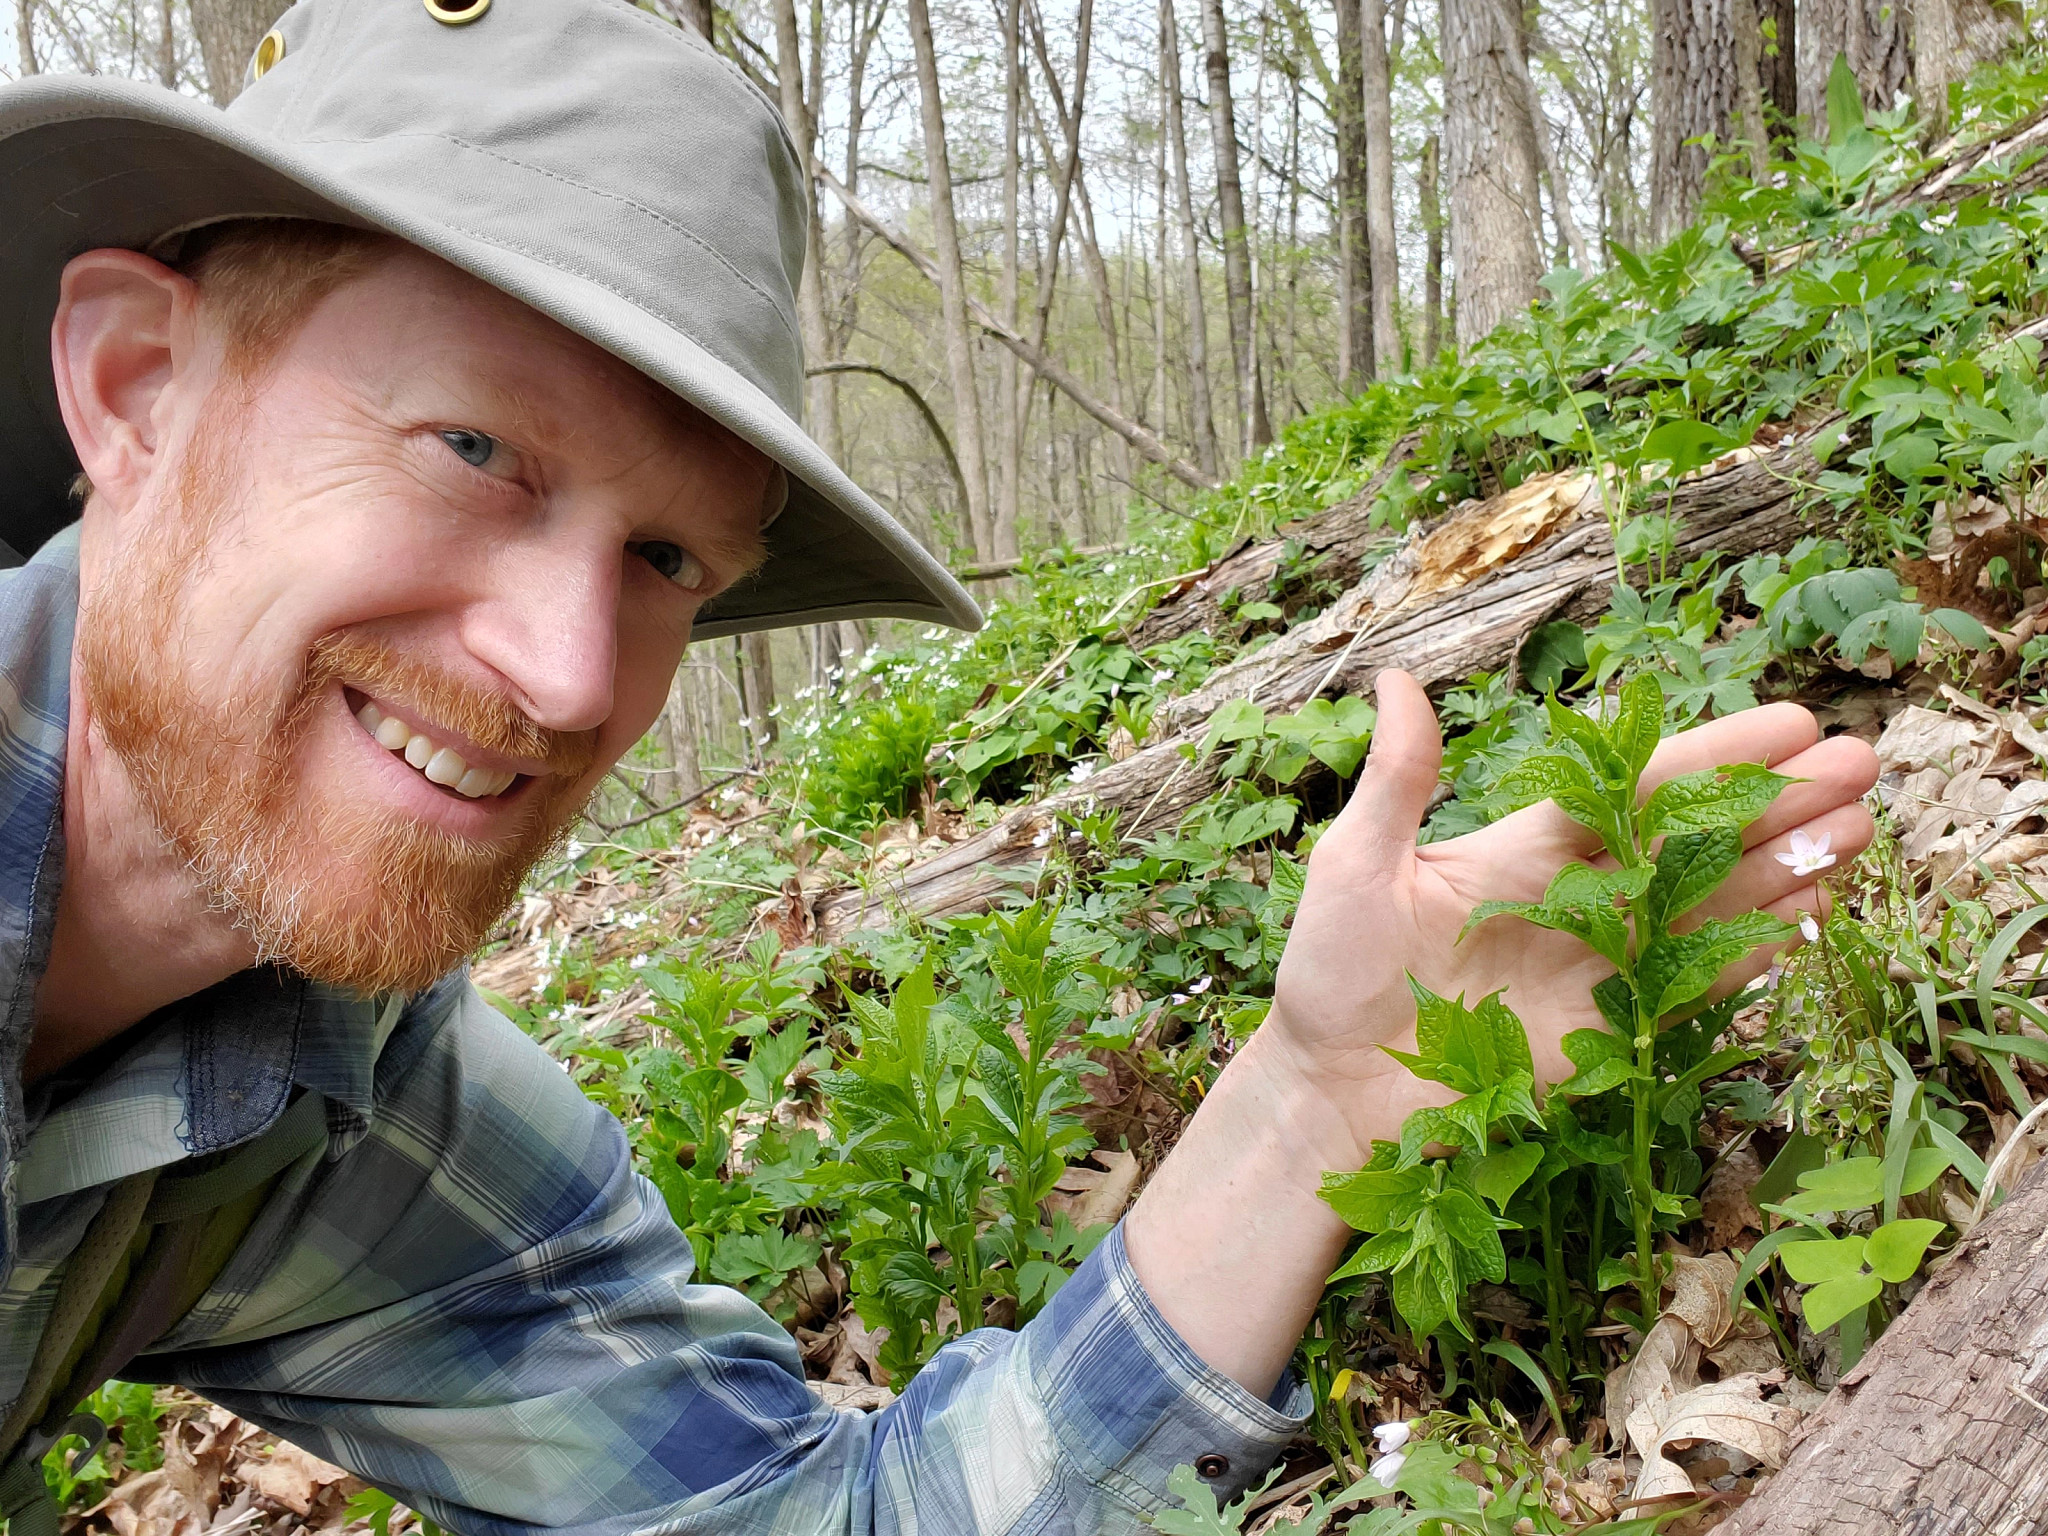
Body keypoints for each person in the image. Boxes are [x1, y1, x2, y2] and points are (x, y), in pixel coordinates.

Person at [0, 0, 1880, 1531]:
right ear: (133, 384)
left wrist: (1311, 1108)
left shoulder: (326, 1096)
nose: (571, 677)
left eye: (668, 563)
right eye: (476, 450)